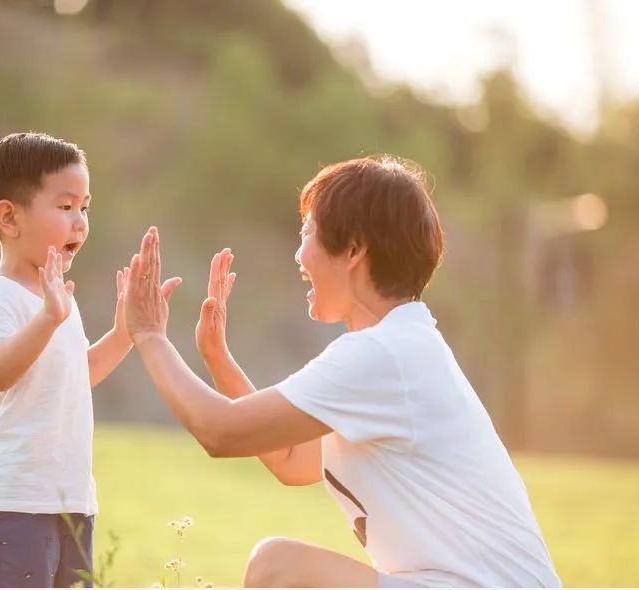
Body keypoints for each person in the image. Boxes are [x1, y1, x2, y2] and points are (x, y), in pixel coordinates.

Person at [124, 156, 561, 587]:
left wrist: (149, 335)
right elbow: (291, 461)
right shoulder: (401, 347)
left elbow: (220, 433)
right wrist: (219, 360)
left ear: (352, 249)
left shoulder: (382, 355)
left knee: (276, 567)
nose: (299, 254)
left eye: (307, 233)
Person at [0, 132, 133, 588]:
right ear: (10, 217)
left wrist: (126, 332)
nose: (80, 221)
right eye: (66, 206)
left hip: (69, 499)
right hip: (10, 505)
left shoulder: (55, 300)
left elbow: (78, 375)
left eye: (85, 207)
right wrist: (50, 318)